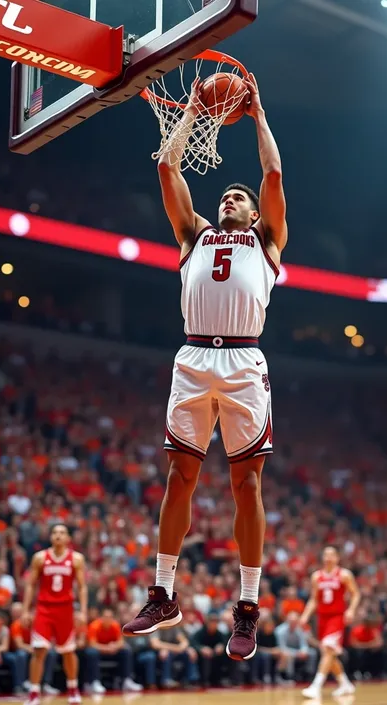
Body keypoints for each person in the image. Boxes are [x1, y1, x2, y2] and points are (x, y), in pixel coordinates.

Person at [123, 71, 287, 665]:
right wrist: (191, 110)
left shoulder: (267, 239)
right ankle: (163, 591)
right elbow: (168, 170)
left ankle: (247, 606)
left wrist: (260, 116)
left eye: (236, 198)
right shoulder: (194, 234)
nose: (229, 200)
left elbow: (271, 175)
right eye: (226, 197)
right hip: (193, 355)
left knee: (247, 484)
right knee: (180, 478)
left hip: (244, 359)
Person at [21, 523, 87, 705]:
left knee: (68, 651)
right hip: (44, 608)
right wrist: (26, 610)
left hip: (65, 609)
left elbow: (82, 587)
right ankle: (34, 692)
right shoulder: (40, 558)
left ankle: (73, 688)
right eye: (55, 532)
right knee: (39, 650)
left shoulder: (77, 559)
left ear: (68, 538)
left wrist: (82, 611)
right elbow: (30, 585)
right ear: (50, 537)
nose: (58, 535)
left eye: (62, 532)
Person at [299, 546, 360, 699]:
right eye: (326, 554)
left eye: (332, 554)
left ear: (337, 557)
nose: (328, 557)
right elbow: (314, 599)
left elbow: (355, 594)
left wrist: (351, 610)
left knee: (327, 649)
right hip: (322, 618)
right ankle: (345, 683)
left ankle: (316, 686)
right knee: (329, 653)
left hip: (337, 617)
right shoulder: (316, 576)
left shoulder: (344, 574)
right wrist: (305, 615)